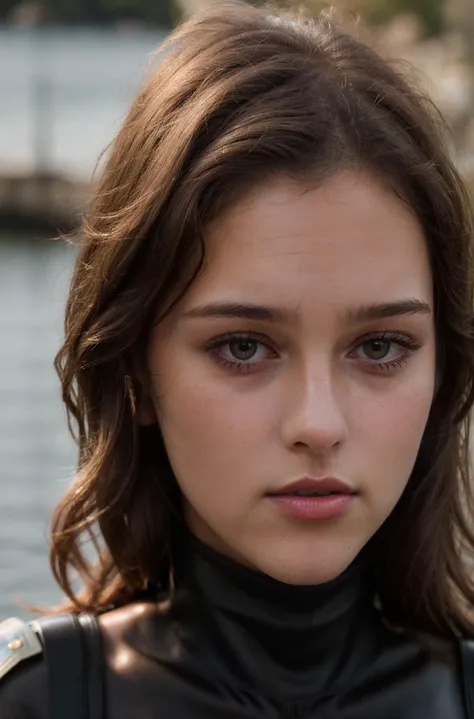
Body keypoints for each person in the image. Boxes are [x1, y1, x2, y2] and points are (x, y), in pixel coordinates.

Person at [2, 1, 474, 716]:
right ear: (136, 368)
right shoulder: (36, 701)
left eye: (380, 346)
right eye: (244, 347)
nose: (318, 423)